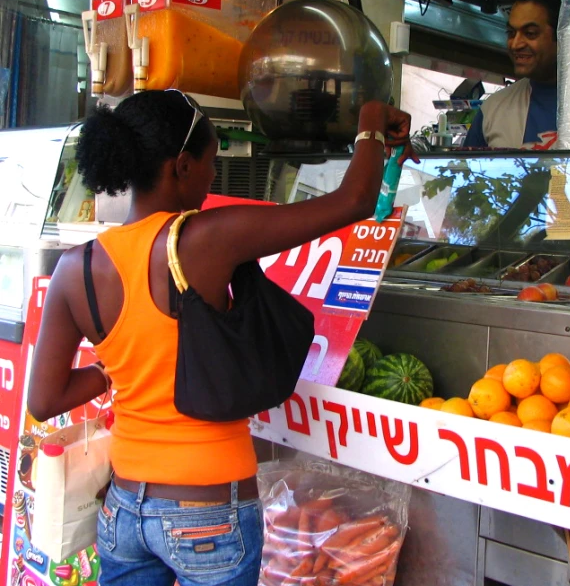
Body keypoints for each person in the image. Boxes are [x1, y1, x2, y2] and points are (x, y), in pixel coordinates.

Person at [27, 90, 416, 586]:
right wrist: (369, 123)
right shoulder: (203, 239)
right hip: (208, 508)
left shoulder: (74, 268)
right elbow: (354, 201)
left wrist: (110, 370)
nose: (213, 179)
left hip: (122, 509)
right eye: (211, 163)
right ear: (181, 166)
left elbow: (45, 399)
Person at [464, 0, 566, 149]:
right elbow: (466, 172)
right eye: (511, 33)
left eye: (530, 33)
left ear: (562, 34)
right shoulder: (494, 109)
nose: (515, 44)